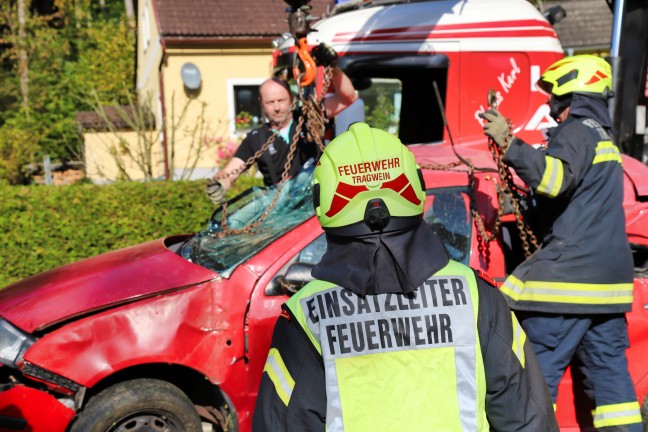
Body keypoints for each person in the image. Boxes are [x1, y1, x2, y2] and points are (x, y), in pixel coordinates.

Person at [253, 122, 558, 431]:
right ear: (414, 188)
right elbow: (527, 416)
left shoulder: (307, 315)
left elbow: (280, 424)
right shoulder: (476, 294)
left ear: (324, 201)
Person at [480, 54, 642, 431]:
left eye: (554, 96)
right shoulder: (604, 139)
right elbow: (573, 202)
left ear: (572, 91)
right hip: (607, 290)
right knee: (612, 387)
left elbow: (554, 180)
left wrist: (508, 141)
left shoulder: (577, 132)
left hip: (566, 285)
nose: (551, 107)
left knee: (532, 383)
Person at [205, 43, 357, 204]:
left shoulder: (310, 117)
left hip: (316, 203)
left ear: (291, 99)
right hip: (281, 210)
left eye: (281, 100)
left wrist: (334, 68)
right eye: (270, 102)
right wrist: (219, 184)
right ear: (261, 103)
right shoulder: (255, 139)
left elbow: (348, 98)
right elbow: (230, 173)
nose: (277, 107)